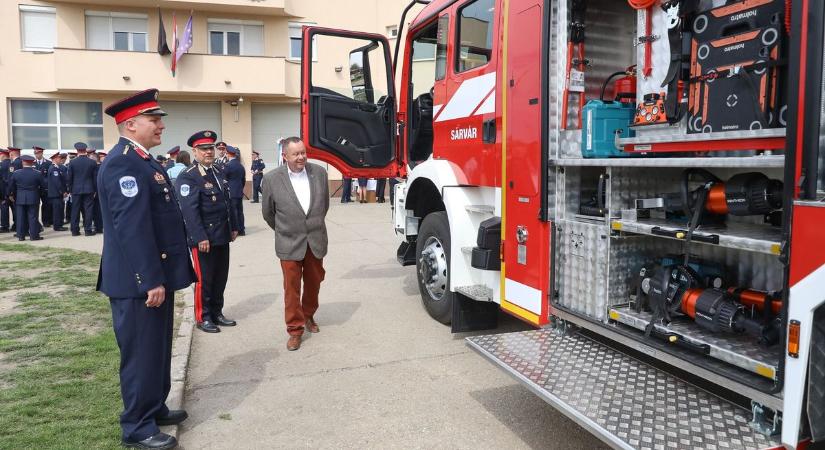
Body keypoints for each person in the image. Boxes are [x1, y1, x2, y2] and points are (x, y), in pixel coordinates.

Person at [98, 88, 195, 450]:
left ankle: (153, 407)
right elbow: (132, 228)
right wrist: (150, 279)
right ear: (131, 124)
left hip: (157, 275)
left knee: (156, 347)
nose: (161, 127)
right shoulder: (124, 163)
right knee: (140, 353)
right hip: (139, 281)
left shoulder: (145, 161)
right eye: (154, 120)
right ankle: (136, 426)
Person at [261, 137, 329, 351]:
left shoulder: (319, 173)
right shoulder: (271, 179)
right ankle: (295, 329)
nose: (301, 157)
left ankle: (308, 315)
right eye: (296, 154)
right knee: (291, 288)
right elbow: (268, 213)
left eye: (303, 152)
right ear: (285, 156)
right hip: (289, 242)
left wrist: (310, 226)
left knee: (314, 283)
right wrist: (286, 230)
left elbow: (324, 205)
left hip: (315, 239)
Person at [176, 131, 239, 333]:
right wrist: (200, 237)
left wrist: (234, 226)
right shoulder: (189, 176)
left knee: (221, 276)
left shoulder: (218, 171)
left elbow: (228, 204)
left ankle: (217, 313)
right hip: (204, 239)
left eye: (210, 148)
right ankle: (203, 317)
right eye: (203, 149)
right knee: (205, 280)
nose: (208, 152)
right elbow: (190, 211)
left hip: (222, 235)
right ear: (194, 151)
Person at [9, 155, 46, 241]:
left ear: (22, 162)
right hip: (33, 197)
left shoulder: (16, 173)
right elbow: (43, 186)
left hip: (20, 197)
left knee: (20, 217)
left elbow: (11, 186)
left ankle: (21, 236)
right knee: (33, 217)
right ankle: (34, 236)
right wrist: (39, 195)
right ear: (32, 162)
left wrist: (11, 195)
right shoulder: (37, 173)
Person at [67, 142, 97, 236]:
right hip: (89, 189)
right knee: (88, 210)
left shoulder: (72, 162)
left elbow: (69, 178)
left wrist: (70, 190)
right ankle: (88, 230)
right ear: (86, 150)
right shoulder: (92, 162)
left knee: (75, 210)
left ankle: (75, 230)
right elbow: (95, 178)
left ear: (77, 151)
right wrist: (95, 189)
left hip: (76, 189)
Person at [224, 146, 246, 235]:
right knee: (240, 211)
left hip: (231, 192)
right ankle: (242, 230)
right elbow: (243, 180)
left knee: (234, 211)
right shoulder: (241, 166)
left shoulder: (228, 165)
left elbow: (224, 179)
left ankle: (236, 229)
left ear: (228, 154)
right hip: (239, 191)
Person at [47, 152, 68, 231]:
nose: (60, 160)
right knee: (57, 211)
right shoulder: (54, 169)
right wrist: (63, 192)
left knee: (59, 210)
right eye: (59, 158)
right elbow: (57, 182)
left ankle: (59, 224)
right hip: (56, 194)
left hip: (57, 193)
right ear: (55, 159)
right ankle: (57, 226)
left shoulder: (56, 168)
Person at [33, 146, 52, 227]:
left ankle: (46, 221)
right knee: (35, 206)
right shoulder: (32, 163)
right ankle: (35, 222)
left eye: (38, 153)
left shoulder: (48, 163)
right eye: (35, 153)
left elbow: (49, 176)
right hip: (35, 188)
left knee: (46, 205)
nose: (36, 154)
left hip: (45, 188)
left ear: (41, 153)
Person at [0, 148, 10, 232]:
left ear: (3, 155)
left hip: (3, 191)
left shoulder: (2, 165)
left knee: (4, 209)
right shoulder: (13, 163)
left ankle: (5, 226)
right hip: (11, 190)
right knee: (14, 209)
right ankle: (16, 225)